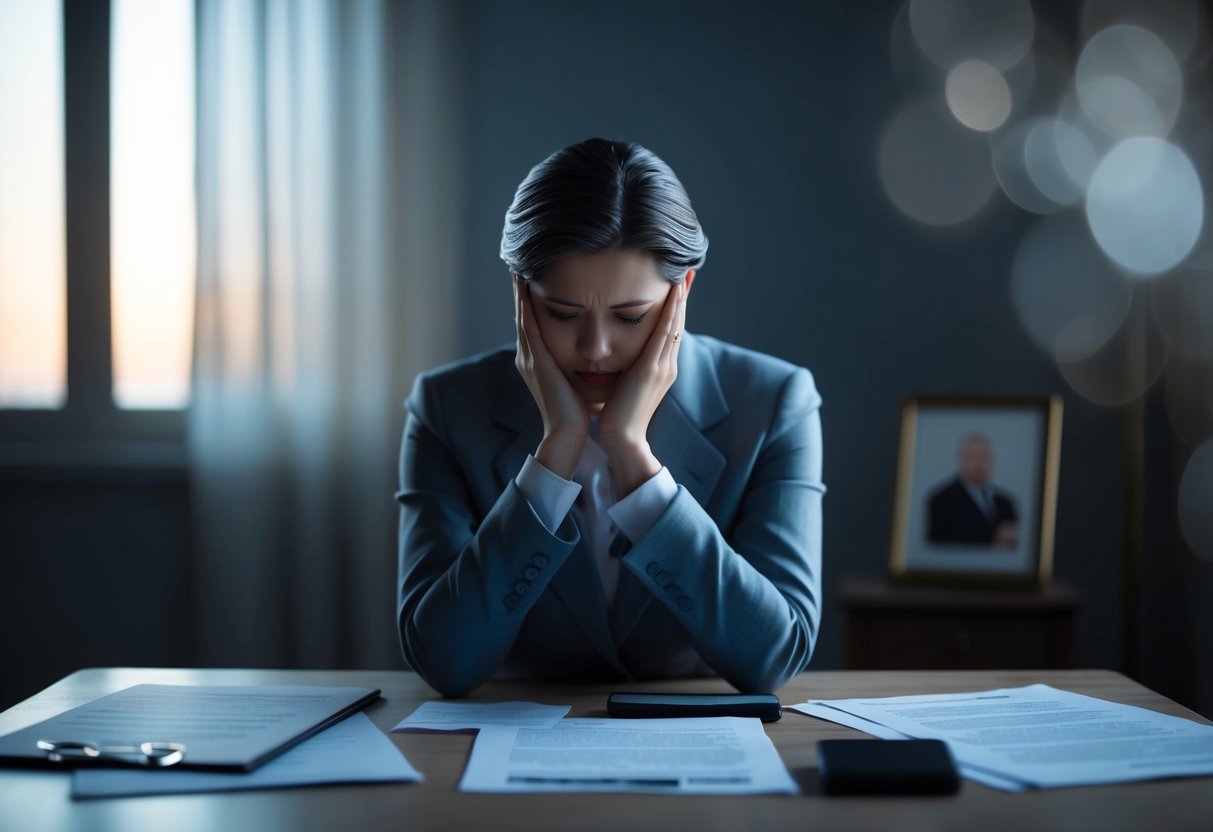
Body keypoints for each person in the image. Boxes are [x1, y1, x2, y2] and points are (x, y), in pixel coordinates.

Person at [396, 138, 824, 697]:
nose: (596, 349)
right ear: (521, 293)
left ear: (682, 290)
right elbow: (443, 660)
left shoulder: (775, 403)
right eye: (562, 313)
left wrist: (633, 455)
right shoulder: (446, 408)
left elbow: (777, 654)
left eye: (630, 316)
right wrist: (555, 453)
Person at [926, 432, 1018, 548]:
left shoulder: (1006, 503)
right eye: (973, 457)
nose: (979, 464)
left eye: (985, 457)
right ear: (961, 459)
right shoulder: (941, 500)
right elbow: (941, 545)